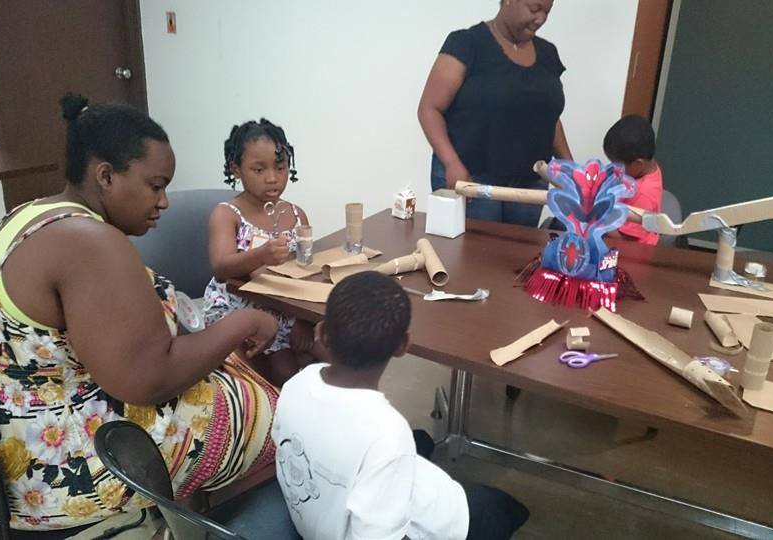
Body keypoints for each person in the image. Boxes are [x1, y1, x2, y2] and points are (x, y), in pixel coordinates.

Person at [0, 94, 281, 532]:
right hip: (59, 471)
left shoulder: (29, 215)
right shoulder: (90, 241)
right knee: (288, 422)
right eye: (156, 185)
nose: (165, 201)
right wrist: (244, 323)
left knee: (244, 382)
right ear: (106, 177)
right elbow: (146, 380)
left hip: (5, 446)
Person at [272, 272, 530, 540]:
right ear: (403, 346)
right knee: (499, 507)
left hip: (318, 520)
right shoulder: (387, 434)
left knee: (419, 441)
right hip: (439, 522)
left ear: (322, 333)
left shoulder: (295, 385)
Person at [418, 0, 571, 227]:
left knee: (516, 256)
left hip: (529, 184)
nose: (540, 19)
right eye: (534, 9)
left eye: (547, 12)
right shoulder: (466, 43)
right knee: (472, 257)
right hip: (471, 179)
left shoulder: (549, 53)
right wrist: (451, 163)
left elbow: (549, 117)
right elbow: (429, 109)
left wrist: (569, 169)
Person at [203, 119, 324, 381]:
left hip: (286, 306)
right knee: (284, 371)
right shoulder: (227, 214)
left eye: (280, 167)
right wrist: (261, 256)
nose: (272, 178)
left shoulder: (296, 214)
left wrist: (305, 320)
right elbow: (221, 267)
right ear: (236, 169)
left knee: (335, 352)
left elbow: (307, 273)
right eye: (259, 170)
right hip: (240, 309)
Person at [603, 114, 664, 245]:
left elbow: (624, 238)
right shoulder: (645, 169)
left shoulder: (643, 194)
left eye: (617, 164)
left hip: (633, 251)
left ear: (638, 164)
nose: (614, 168)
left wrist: (597, 219)